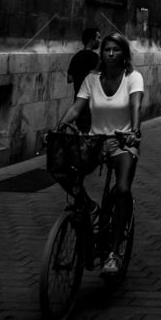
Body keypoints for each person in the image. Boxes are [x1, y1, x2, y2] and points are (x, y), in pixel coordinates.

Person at [58, 33, 143, 278]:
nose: (111, 54)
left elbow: (136, 104)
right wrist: (59, 127)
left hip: (123, 142)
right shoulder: (92, 79)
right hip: (94, 142)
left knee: (123, 190)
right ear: (101, 53)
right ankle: (91, 208)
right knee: (64, 171)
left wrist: (134, 132)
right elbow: (77, 106)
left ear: (124, 54)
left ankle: (113, 253)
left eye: (116, 50)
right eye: (107, 50)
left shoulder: (133, 77)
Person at [66, 27, 100, 130]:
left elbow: (69, 78)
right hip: (92, 104)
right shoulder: (95, 58)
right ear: (91, 40)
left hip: (78, 103)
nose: (100, 40)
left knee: (82, 132)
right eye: (98, 37)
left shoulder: (76, 57)